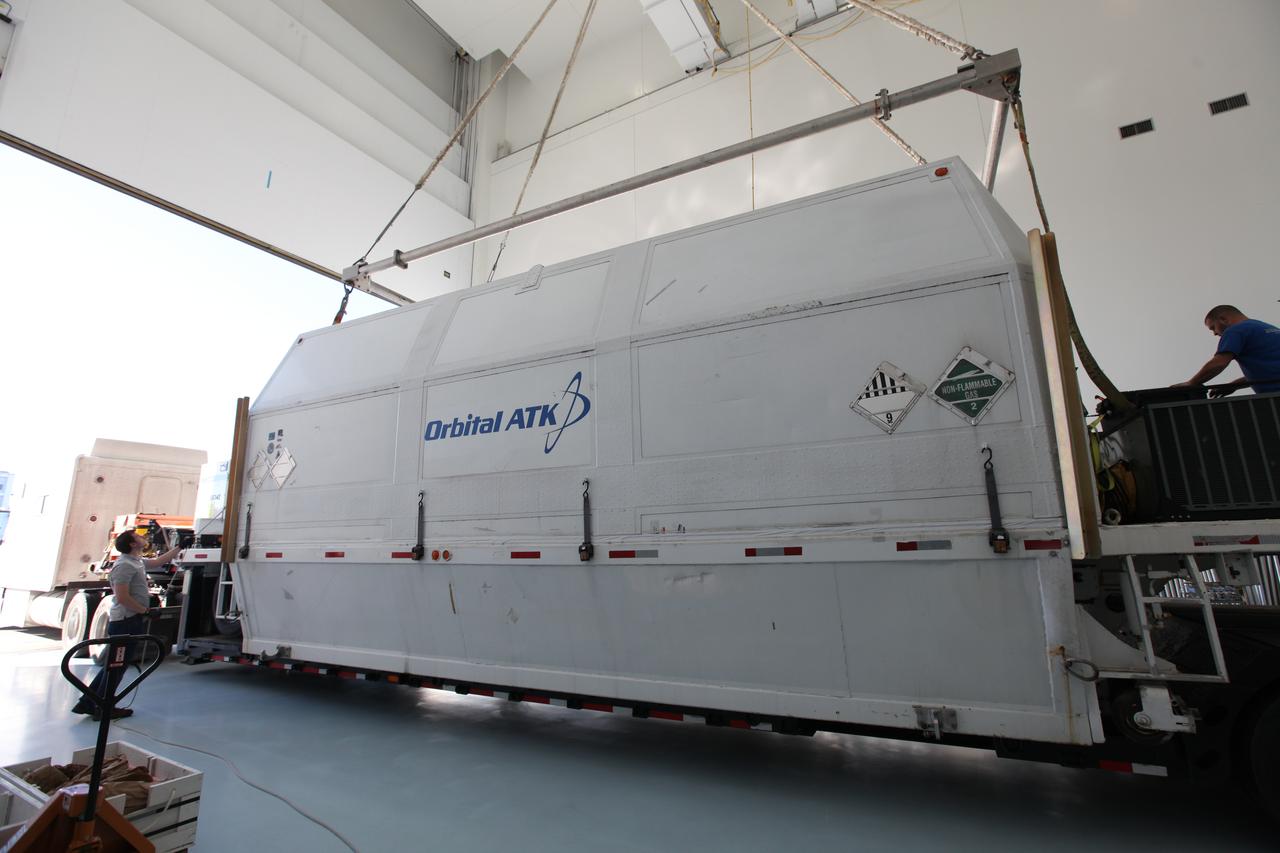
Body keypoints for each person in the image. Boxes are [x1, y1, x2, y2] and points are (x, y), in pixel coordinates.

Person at [71, 529, 181, 719]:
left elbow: (157, 562)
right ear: (131, 544)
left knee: (115, 665)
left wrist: (180, 547)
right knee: (117, 665)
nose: (143, 538)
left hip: (131, 620)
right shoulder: (124, 566)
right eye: (138, 537)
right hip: (125, 622)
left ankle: (89, 702)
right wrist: (144, 610)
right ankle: (101, 706)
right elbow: (122, 597)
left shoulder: (135, 561)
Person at [1174, 305, 1280, 397]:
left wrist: (1191, 383)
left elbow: (1219, 363)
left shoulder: (1236, 330)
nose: (1215, 333)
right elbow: (1268, 372)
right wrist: (1233, 386)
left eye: (1213, 328)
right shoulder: (1266, 327)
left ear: (1223, 319)